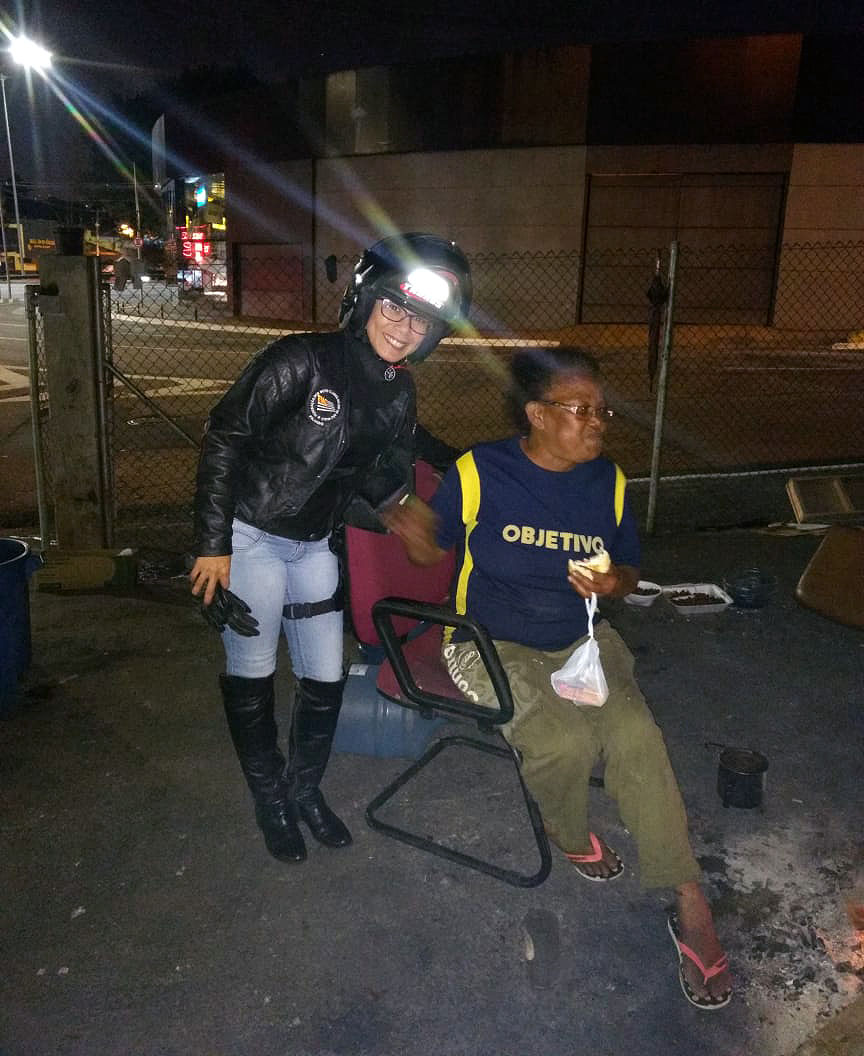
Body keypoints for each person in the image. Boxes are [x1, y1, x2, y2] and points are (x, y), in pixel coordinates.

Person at [384, 346, 732, 1011]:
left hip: (583, 641)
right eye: (581, 409)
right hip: (488, 642)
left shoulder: (609, 482)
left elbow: (629, 569)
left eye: (601, 410)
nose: (598, 422)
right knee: (562, 742)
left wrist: (613, 581)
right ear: (538, 414)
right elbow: (432, 553)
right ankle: (566, 831)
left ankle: (689, 896)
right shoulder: (480, 471)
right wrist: (411, 530)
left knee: (636, 737)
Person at [190, 233, 472, 865]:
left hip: (314, 545)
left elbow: (381, 466)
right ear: (365, 301)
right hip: (252, 537)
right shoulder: (302, 359)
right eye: (393, 307)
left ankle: (304, 789)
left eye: (420, 320)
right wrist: (212, 546)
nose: (403, 328)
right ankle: (271, 799)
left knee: (324, 676)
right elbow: (225, 436)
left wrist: (413, 505)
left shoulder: (398, 391)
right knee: (253, 673)